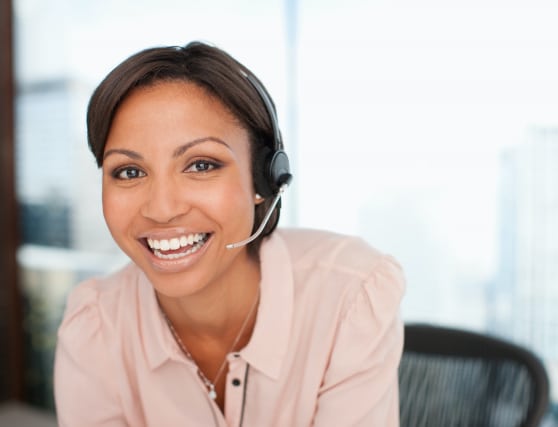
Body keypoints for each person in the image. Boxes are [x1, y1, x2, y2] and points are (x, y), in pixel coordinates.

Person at [53, 41, 405, 427]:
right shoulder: (95, 326)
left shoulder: (350, 295)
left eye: (201, 165)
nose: (161, 209)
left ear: (264, 180)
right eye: (129, 172)